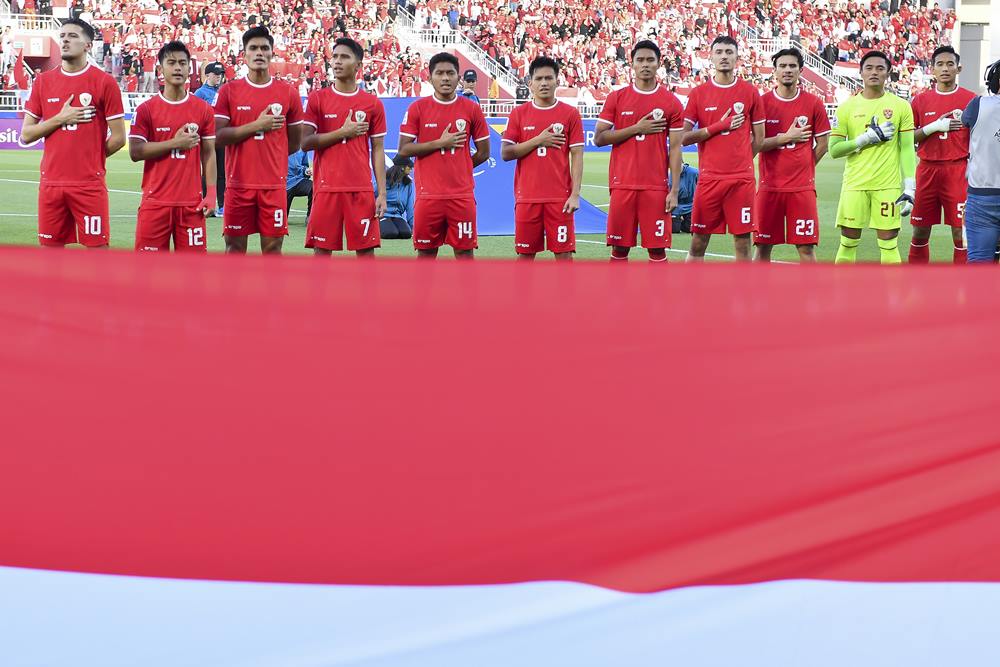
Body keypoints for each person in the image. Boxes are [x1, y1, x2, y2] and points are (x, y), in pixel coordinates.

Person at [20, 19, 125, 248]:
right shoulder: (43, 82)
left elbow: (119, 138)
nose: (65, 40)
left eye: (73, 36)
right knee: (50, 256)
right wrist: (60, 118)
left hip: (89, 184)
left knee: (97, 252)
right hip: (51, 184)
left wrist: (90, 159)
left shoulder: (104, 82)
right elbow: (26, 135)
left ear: (88, 45)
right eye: (63, 36)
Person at [214, 26, 303, 255]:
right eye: (253, 48)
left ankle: (270, 292)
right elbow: (219, 137)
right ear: (244, 54)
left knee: (273, 248)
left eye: (264, 48)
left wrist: (270, 157)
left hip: (273, 186)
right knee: (234, 248)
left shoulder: (288, 93)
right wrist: (256, 126)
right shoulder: (229, 91)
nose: (259, 53)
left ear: (272, 53)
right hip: (238, 186)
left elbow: (294, 142)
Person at [594, 40, 684, 263]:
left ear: (658, 63)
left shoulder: (671, 102)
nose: (645, 65)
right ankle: (618, 298)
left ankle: (656, 298)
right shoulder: (617, 98)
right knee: (619, 249)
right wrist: (637, 128)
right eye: (640, 60)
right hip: (622, 184)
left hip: (655, 187)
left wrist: (674, 190)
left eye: (650, 60)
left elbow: (675, 148)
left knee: (657, 250)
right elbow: (599, 138)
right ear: (632, 64)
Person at [397, 52, 490, 259]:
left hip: (461, 196)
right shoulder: (417, 108)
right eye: (439, 73)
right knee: (426, 254)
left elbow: (484, 152)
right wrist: (440, 144)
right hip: (428, 196)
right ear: (430, 78)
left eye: (450, 73)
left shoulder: (472, 109)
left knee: (465, 254)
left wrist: (460, 167)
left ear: (459, 78)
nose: (445, 78)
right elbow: (404, 149)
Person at [301, 37, 387, 257]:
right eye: (335, 56)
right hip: (326, 188)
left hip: (361, 189)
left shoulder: (373, 103)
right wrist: (342, 133)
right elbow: (305, 142)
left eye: (344, 57)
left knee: (366, 253)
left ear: (358, 65)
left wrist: (382, 194)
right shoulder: (317, 99)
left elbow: (378, 149)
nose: (337, 62)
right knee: (322, 254)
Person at [682, 35, 765, 262]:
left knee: (742, 242)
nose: (724, 57)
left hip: (741, 180)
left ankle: (743, 296)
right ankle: (687, 296)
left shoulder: (750, 92)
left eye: (729, 52)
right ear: (710, 57)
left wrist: (742, 161)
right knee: (698, 241)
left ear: (737, 57)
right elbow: (682, 138)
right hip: (709, 179)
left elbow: (759, 138)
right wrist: (717, 127)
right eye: (719, 52)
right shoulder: (698, 94)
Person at [128, 41, 216, 252]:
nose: (178, 68)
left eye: (183, 63)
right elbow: (135, 152)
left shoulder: (203, 109)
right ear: (160, 69)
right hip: (155, 203)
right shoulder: (146, 110)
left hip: (191, 205)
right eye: (172, 63)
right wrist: (175, 143)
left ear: (189, 69)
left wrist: (212, 193)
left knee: (193, 275)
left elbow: (209, 153)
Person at [829, 50, 915, 264]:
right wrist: (865, 139)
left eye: (880, 68)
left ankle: (893, 297)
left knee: (889, 243)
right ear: (860, 73)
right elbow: (834, 150)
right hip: (854, 184)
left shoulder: (901, 106)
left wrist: (910, 186)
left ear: (888, 73)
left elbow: (906, 148)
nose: (874, 72)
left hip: (887, 186)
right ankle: (841, 294)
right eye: (869, 68)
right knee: (847, 242)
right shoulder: (847, 107)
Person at [501, 56, 585, 260]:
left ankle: (565, 294)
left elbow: (577, 155)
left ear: (557, 81)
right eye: (539, 79)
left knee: (564, 255)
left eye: (549, 78)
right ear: (530, 83)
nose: (544, 83)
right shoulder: (518, 114)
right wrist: (538, 140)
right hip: (527, 197)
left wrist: (575, 194)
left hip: (560, 198)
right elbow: (506, 153)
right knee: (525, 256)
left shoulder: (570, 114)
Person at [753, 48, 831, 263]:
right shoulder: (761, 103)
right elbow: (753, 145)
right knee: (762, 247)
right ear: (775, 71)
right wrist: (784, 138)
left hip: (802, 189)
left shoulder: (814, 103)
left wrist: (805, 165)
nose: (787, 70)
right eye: (783, 66)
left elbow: (823, 144)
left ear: (800, 70)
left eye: (792, 66)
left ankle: (809, 296)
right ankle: (757, 295)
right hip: (770, 188)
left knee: (806, 248)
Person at [908, 46, 976, 264]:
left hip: (958, 171)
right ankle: (916, 286)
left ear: (959, 68)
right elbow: (909, 138)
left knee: (961, 233)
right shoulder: (920, 100)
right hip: (927, 170)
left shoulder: (971, 100)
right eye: (940, 64)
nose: (945, 68)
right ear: (932, 69)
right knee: (919, 232)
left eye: (950, 64)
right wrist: (934, 127)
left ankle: (963, 287)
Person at [960, 59, 1000, 264]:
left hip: (982, 196)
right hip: (983, 196)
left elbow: (965, 121)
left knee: (979, 267)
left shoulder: (977, 104)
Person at [195, 61, 226, 217]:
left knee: (222, 172)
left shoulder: (222, 92)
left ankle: (221, 205)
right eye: (216, 74)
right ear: (207, 75)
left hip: (220, 137)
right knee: (208, 171)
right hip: (207, 138)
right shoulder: (200, 94)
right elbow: (194, 115)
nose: (219, 77)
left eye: (220, 75)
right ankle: (205, 201)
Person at [378, 155, 416, 239]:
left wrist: (413, 226)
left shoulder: (408, 184)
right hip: (382, 215)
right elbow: (371, 195)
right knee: (390, 233)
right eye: (409, 166)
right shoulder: (383, 180)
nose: (411, 168)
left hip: (397, 216)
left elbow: (410, 207)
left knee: (406, 233)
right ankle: (376, 226)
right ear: (402, 167)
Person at [670, 162, 698, 234]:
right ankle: (677, 220)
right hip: (675, 206)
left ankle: (683, 222)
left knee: (689, 229)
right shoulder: (669, 175)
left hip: (691, 205)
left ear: (682, 163)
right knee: (674, 230)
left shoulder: (694, 172)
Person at [286, 149, 312, 224]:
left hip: (298, 180)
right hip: (282, 184)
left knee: (314, 187)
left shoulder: (303, 147)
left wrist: (306, 171)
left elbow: (304, 166)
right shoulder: (279, 144)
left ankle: (310, 216)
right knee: (281, 220)